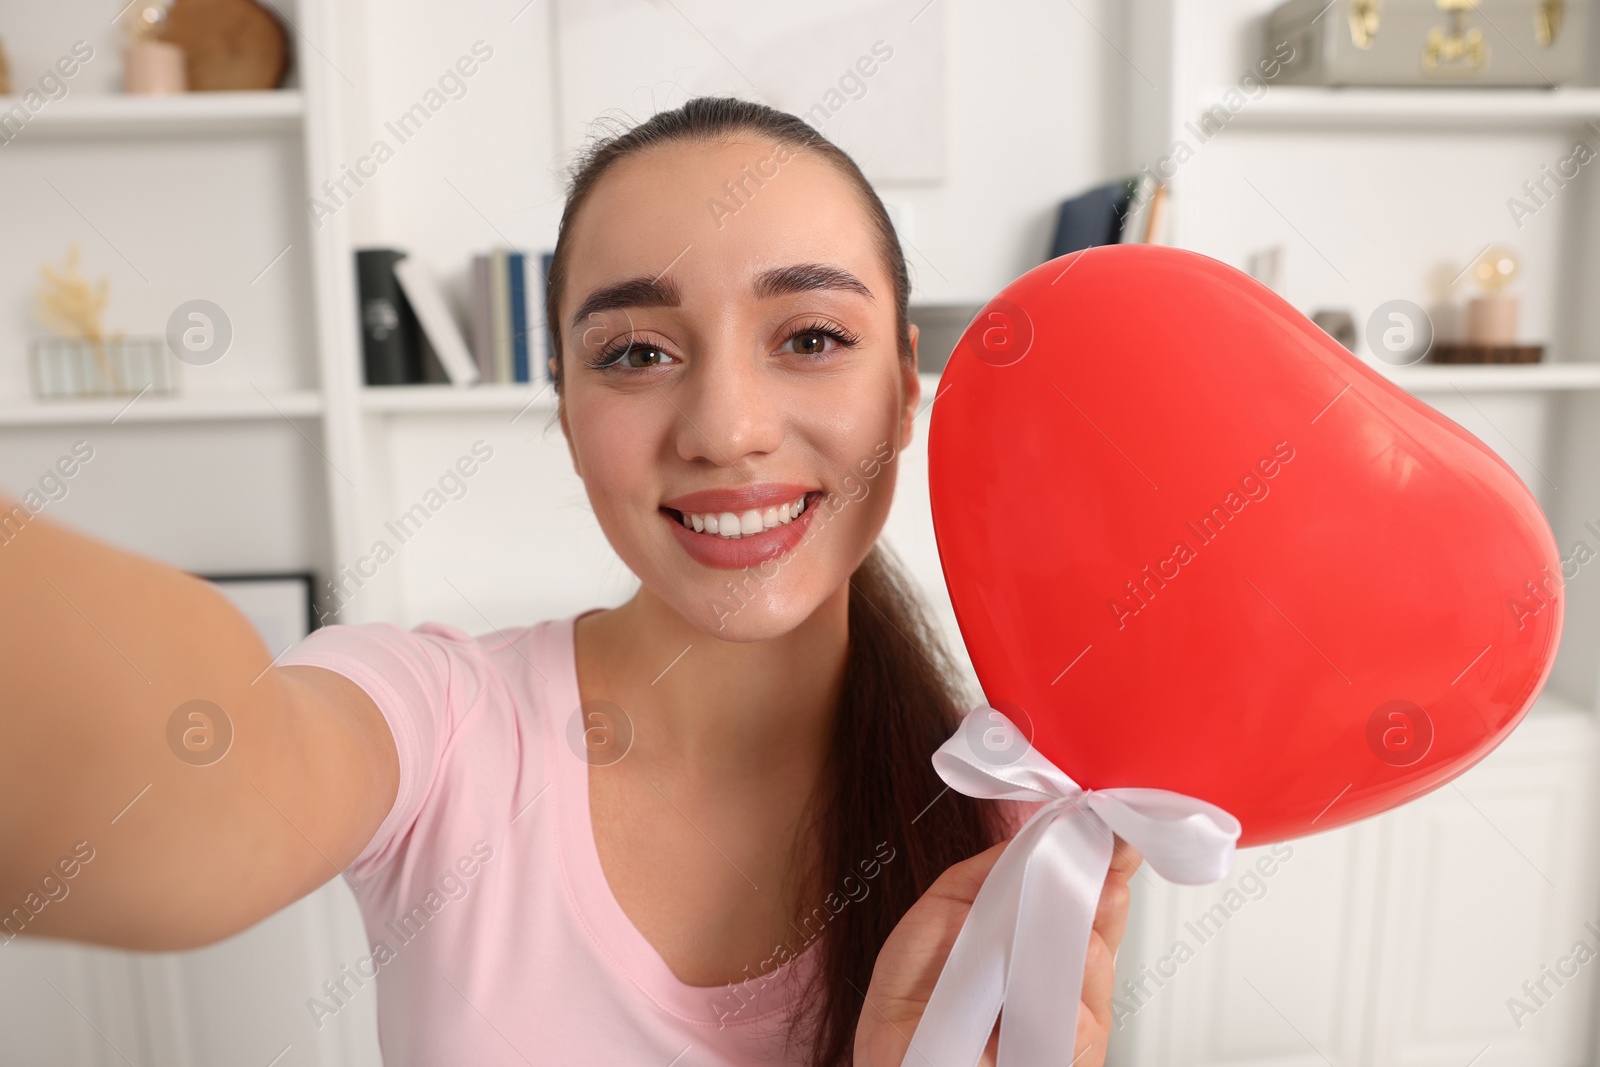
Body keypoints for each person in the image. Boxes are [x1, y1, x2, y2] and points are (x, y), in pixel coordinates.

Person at [0, 96, 1139, 1066]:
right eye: (637, 352)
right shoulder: (440, 724)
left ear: (904, 389)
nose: (727, 430)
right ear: (564, 402)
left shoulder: (1018, 818)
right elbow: (207, 782)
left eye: (808, 337)